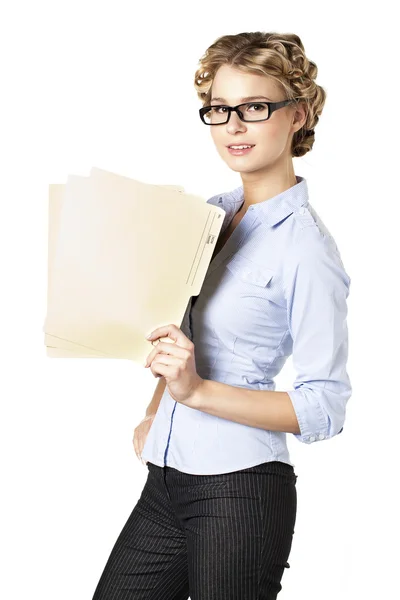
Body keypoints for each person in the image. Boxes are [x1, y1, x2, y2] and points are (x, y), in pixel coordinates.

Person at [92, 31, 352, 600]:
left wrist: (195, 392)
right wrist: (155, 408)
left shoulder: (306, 250)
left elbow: (324, 407)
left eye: (254, 107)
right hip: (165, 481)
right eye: (218, 109)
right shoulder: (209, 215)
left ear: (297, 115)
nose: (233, 125)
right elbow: (180, 329)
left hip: (240, 493)